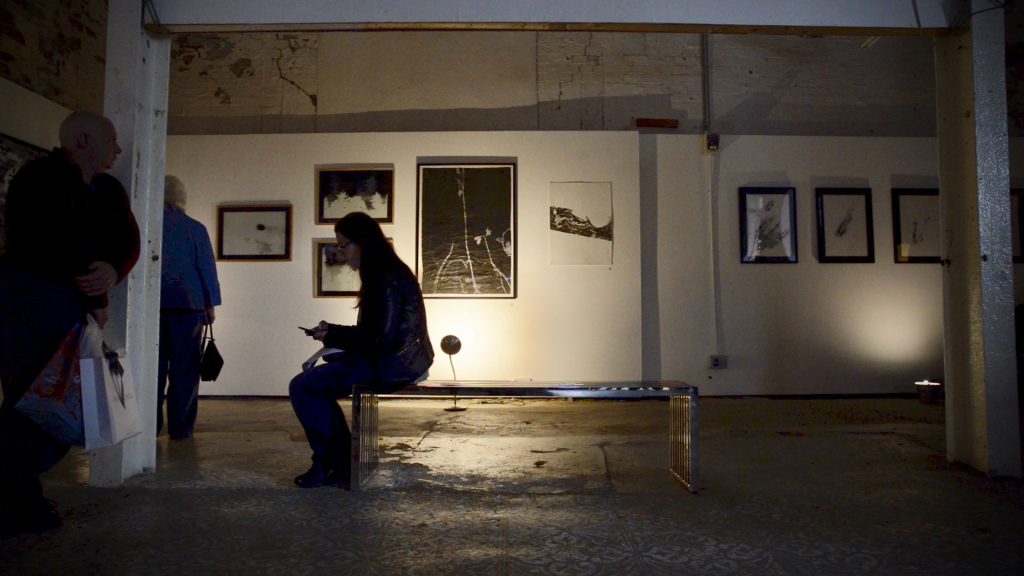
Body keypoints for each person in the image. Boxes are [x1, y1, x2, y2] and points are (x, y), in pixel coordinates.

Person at [0, 111, 140, 536]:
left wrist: (113, 271)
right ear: (83, 141)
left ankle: (19, 497)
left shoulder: (109, 189)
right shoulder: (40, 179)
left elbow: (127, 242)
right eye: (111, 141)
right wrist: (97, 296)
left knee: (59, 405)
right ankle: (16, 498)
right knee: (36, 402)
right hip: (32, 305)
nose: (118, 149)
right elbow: (59, 244)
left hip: (65, 307)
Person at [290, 211, 433, 490]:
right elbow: (375, 333)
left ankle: (329, 463)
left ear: (361, 243)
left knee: (304, 386)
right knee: (314, 383)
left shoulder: (384, 278)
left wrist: (333, 336)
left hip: (393, 364)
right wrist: (332, 331)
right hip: (400, 359)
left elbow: (380, 341)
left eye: (343, 246)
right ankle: (337, 462)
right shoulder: (385, 272)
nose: (341, 253)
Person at [158, 175, 221, 440]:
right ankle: (181, 428)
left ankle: (149, 426)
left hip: (154, 306)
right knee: (185, 369)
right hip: (189, 304)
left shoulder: (146, 226)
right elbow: (206, 269)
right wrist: (210, 304)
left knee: (153, 368)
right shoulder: (195, 229)